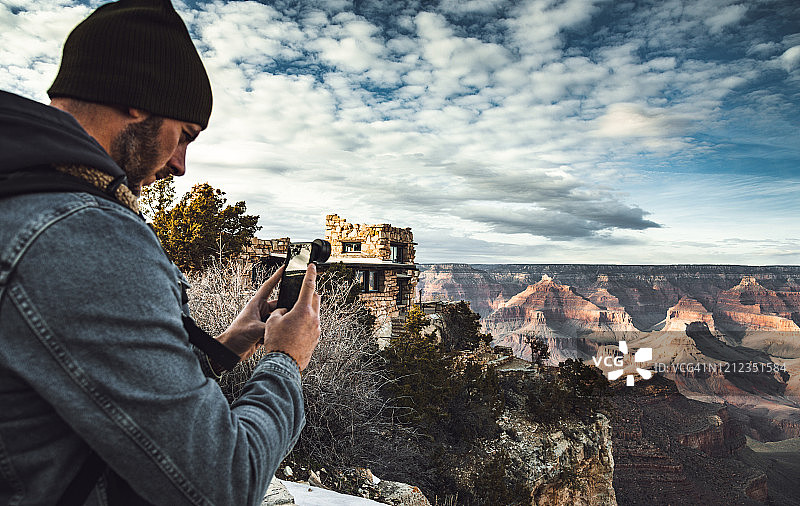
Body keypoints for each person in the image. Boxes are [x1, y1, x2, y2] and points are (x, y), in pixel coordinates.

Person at [0, 0, 320, 504]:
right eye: (183, 136)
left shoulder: (19, 191)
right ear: (137, 99)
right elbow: (223, 482)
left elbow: (82, 379)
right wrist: (286, 358)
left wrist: (230, 343)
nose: (180, 164)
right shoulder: (82, 233)